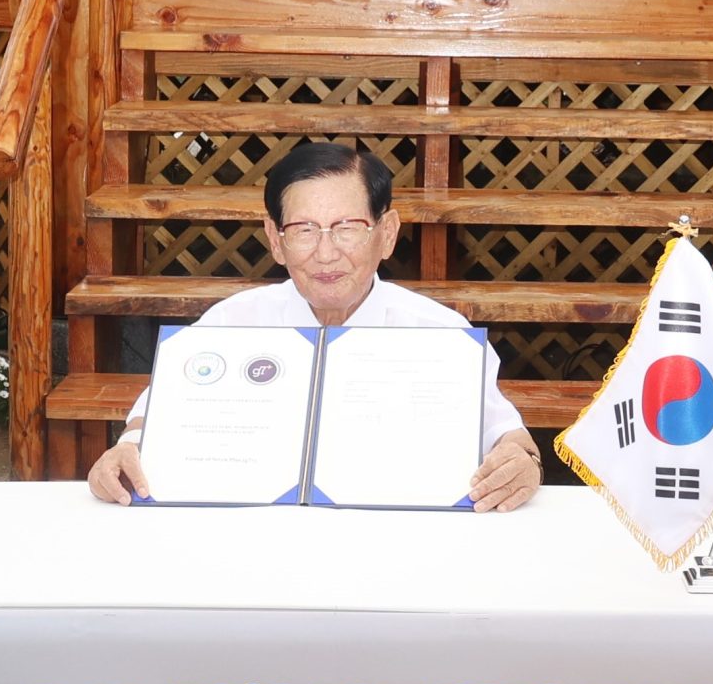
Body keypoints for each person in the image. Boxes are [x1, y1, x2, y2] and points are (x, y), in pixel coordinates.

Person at [87, 142, 542, 511]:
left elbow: (509, 438)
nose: (325, 254)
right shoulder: (231, 323)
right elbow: (151, 420)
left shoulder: (443, 335)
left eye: (347, 228)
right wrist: (126, 450)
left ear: (386, 233)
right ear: (275, 239)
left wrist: (521, 464)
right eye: (304, 230)